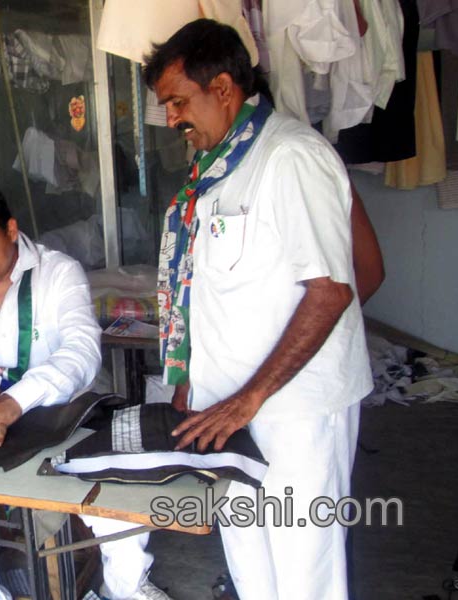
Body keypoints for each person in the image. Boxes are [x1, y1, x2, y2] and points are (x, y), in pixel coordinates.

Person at [143, 20, 373, 600]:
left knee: (304, 576)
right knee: (251, 567)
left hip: (292, 416)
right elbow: (206, 290)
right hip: (226, 415)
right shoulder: (217, 169)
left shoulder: (290, 156)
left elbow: (333, 290)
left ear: (222, 88)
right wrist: (190, 382)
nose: (171, 118)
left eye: (177, 101)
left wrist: (251, 398)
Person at [0, 180, 172, 600]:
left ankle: (128, 588)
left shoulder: (59, 272)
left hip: (65, 415)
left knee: (120, 491)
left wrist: (17, 399)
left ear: (12, 230)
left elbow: (81, 353)